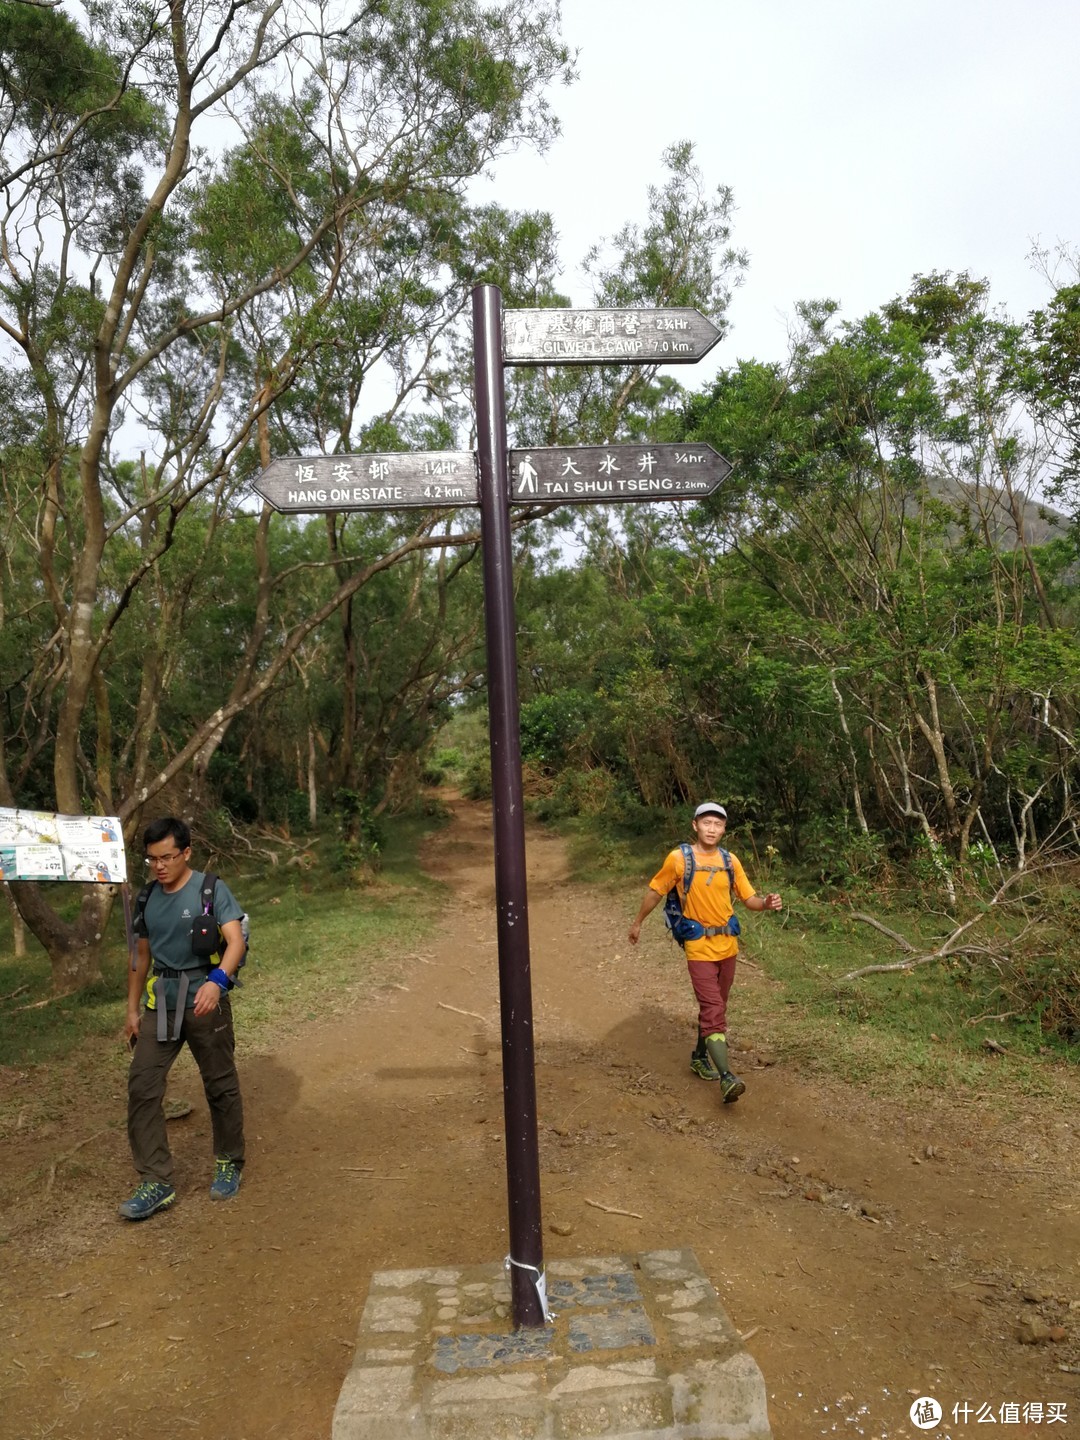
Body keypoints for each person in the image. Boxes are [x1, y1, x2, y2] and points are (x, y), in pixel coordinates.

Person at [119, 817, 247, 1219]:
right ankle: (156, 1180)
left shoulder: (210, 889)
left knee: (219, 1084)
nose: (159, 866)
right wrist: (132, 1009)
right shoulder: (146, 899)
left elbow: (235, 941)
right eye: (152, 859)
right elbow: (140, 958)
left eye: (168, 857)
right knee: (142, 1087)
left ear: (186, 853)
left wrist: (217, 981)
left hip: (205, 1000)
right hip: (163, 1002)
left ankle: (229, 1161)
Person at [627, 801, 782, 1103]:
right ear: (695, 826)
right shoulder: (679, 859)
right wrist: (637, 923)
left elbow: (748, 897)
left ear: (724, 829)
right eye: (706, 823)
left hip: (728, 945)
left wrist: (766, 902)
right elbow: (656, 891)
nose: (712, 829)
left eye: (718, 824)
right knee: (713, 1008)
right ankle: (726, 1077)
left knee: (718, 1006)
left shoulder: (729, 860)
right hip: (698, 946)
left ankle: (699, 1057)